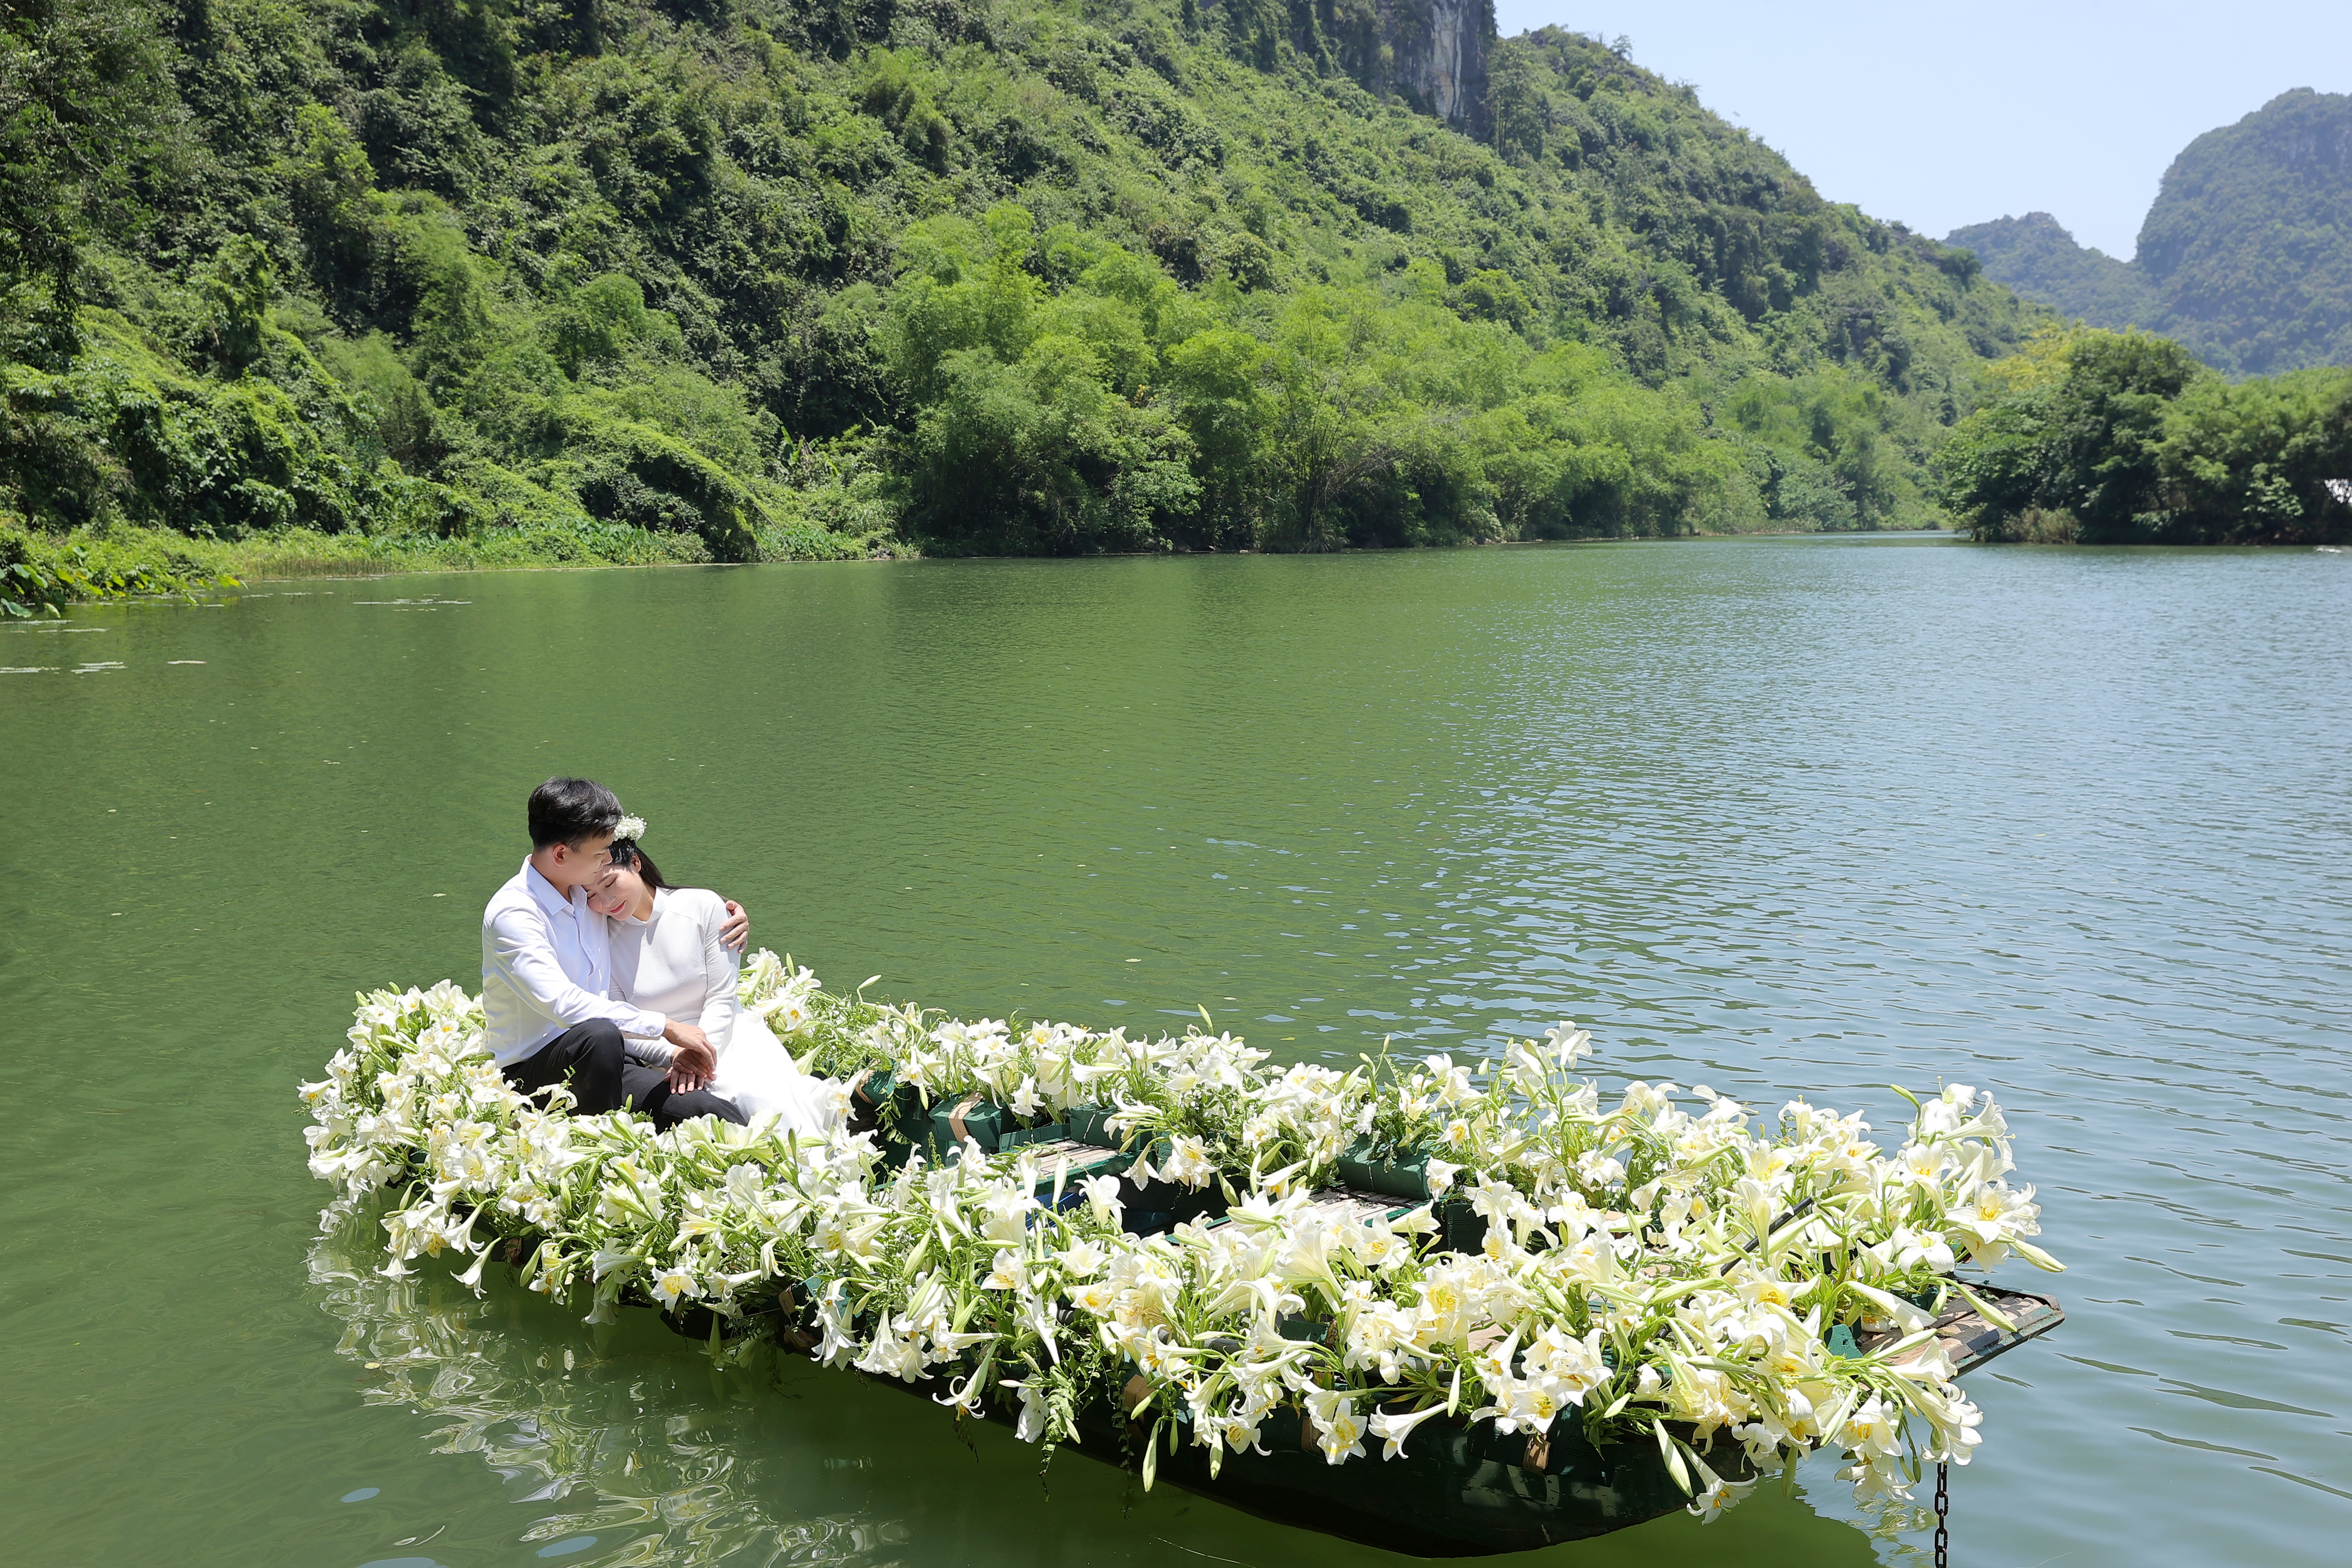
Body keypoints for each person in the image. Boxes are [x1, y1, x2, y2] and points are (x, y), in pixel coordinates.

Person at [482, 776, 748, 1128]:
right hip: (535, 1071)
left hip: (609, 1060)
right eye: (598, 854)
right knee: (600, 1034)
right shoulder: (514, 914)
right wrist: (666, 1027)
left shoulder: (587, 896)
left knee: (709, 1114)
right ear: (561, 854)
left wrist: (728, 919)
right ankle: (605, 1144)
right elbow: (563, 1005)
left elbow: (649, 914)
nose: (607, 860)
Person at [588, 819, 838, 1137]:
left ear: (635, 863)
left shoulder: (703, 906)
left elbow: (721, 996)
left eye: (609, 884)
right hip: (667, 1060)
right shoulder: (600, 939)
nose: (605, 902)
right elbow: (624, 1022)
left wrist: (700, 1055)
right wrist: (674, 1055)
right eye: (591, 894)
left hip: (730, 1038)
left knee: (763, 1099)